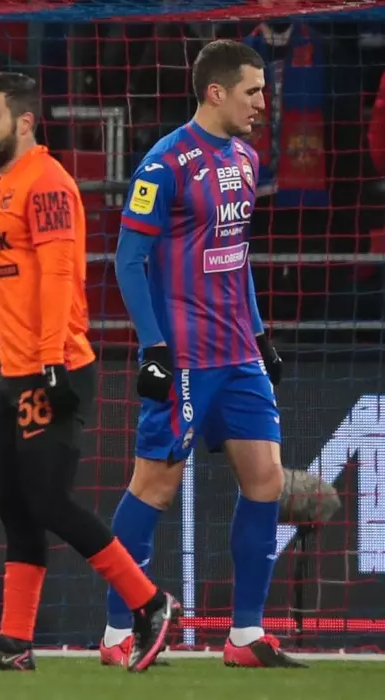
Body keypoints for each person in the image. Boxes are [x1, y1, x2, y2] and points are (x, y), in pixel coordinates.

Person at [0, 72, 176, 674]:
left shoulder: (47, 183)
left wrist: (50, 359)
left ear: (25, 121)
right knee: (15, 508)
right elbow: (14, 284)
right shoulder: (6, 184)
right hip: (16, 367)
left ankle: (150, 604)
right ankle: (14, 643)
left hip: (54, 368)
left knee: (48, 501)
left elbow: (59, 277)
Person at [103, 39, 304, 669]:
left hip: (238, 353)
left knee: (266, 479)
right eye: (253, 91)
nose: (263, 103)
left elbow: (236, 255)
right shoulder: (164, 164)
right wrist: (153, 347)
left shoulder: (246, 157)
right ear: (216, 92)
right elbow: (128, 261)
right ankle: (116, 632)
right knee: (155, 486)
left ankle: (245, 636)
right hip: (186, 356)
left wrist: (261, 334)